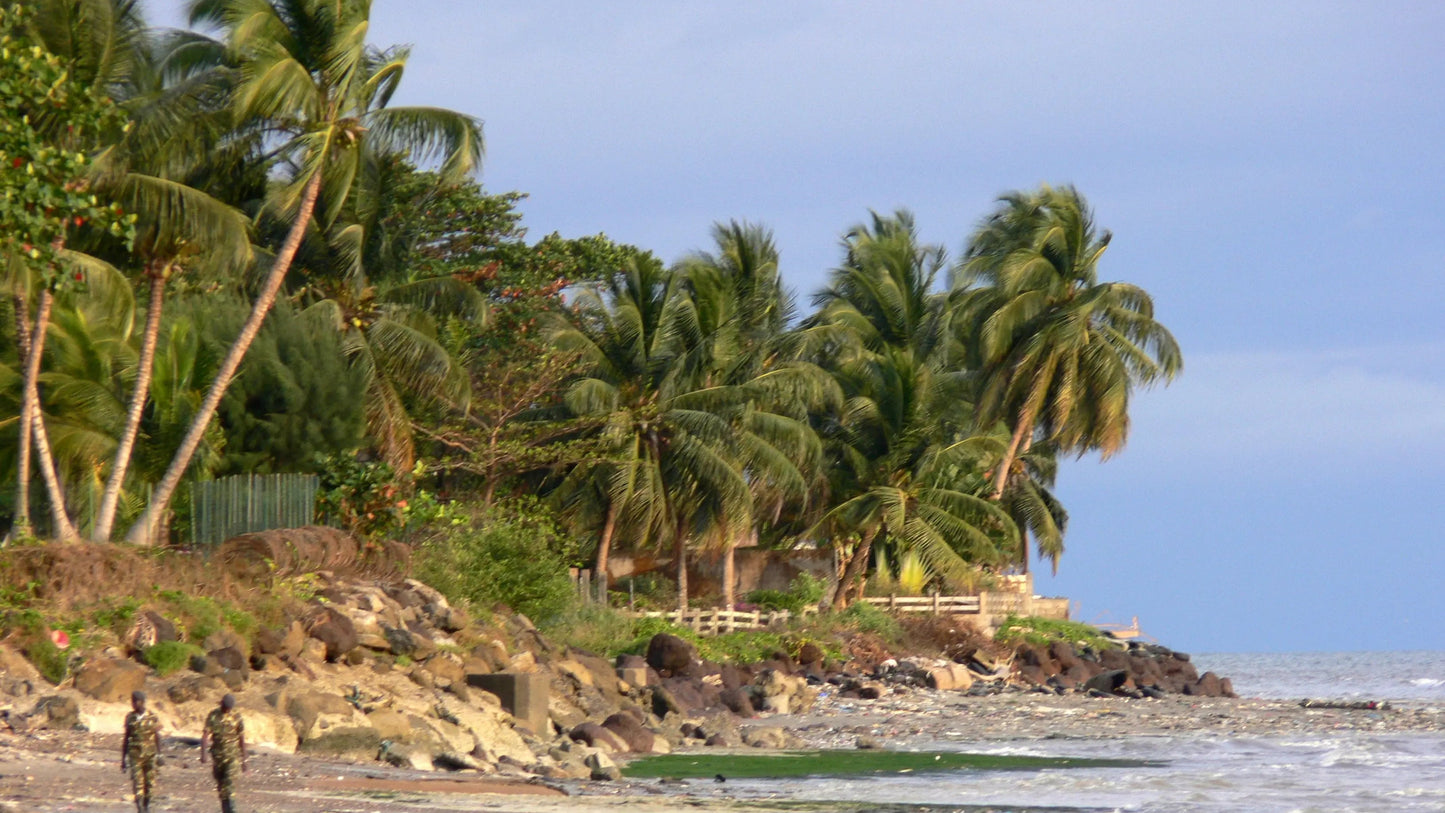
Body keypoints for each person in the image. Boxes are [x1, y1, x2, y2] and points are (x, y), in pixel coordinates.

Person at [200, 694, 247, 813]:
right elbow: (206, 735)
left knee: (229, 785)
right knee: (221, 788)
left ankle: (232, 810)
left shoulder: (236, 717)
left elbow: (242, 738)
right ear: (221, 704)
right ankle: (225, 810)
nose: (227, 710)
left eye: (229, 708)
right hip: (218, 757)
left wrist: (244, 760)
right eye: (226, 707)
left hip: (232, 757)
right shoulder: (213, 715)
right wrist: (203, 754)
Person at [120, 690, 162, 813]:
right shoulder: (130, 717)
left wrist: (160, 754)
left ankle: (147, 807)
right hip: (135, 755)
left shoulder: (152, 717)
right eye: (132, 701)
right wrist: (123, 759)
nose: (133, 703)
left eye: (135, 701)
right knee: (137, 783)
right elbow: (126, 737)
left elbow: (157, 736)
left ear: (141, 702)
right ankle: (140, 809)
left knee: (150, 784)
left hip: (150, 755)